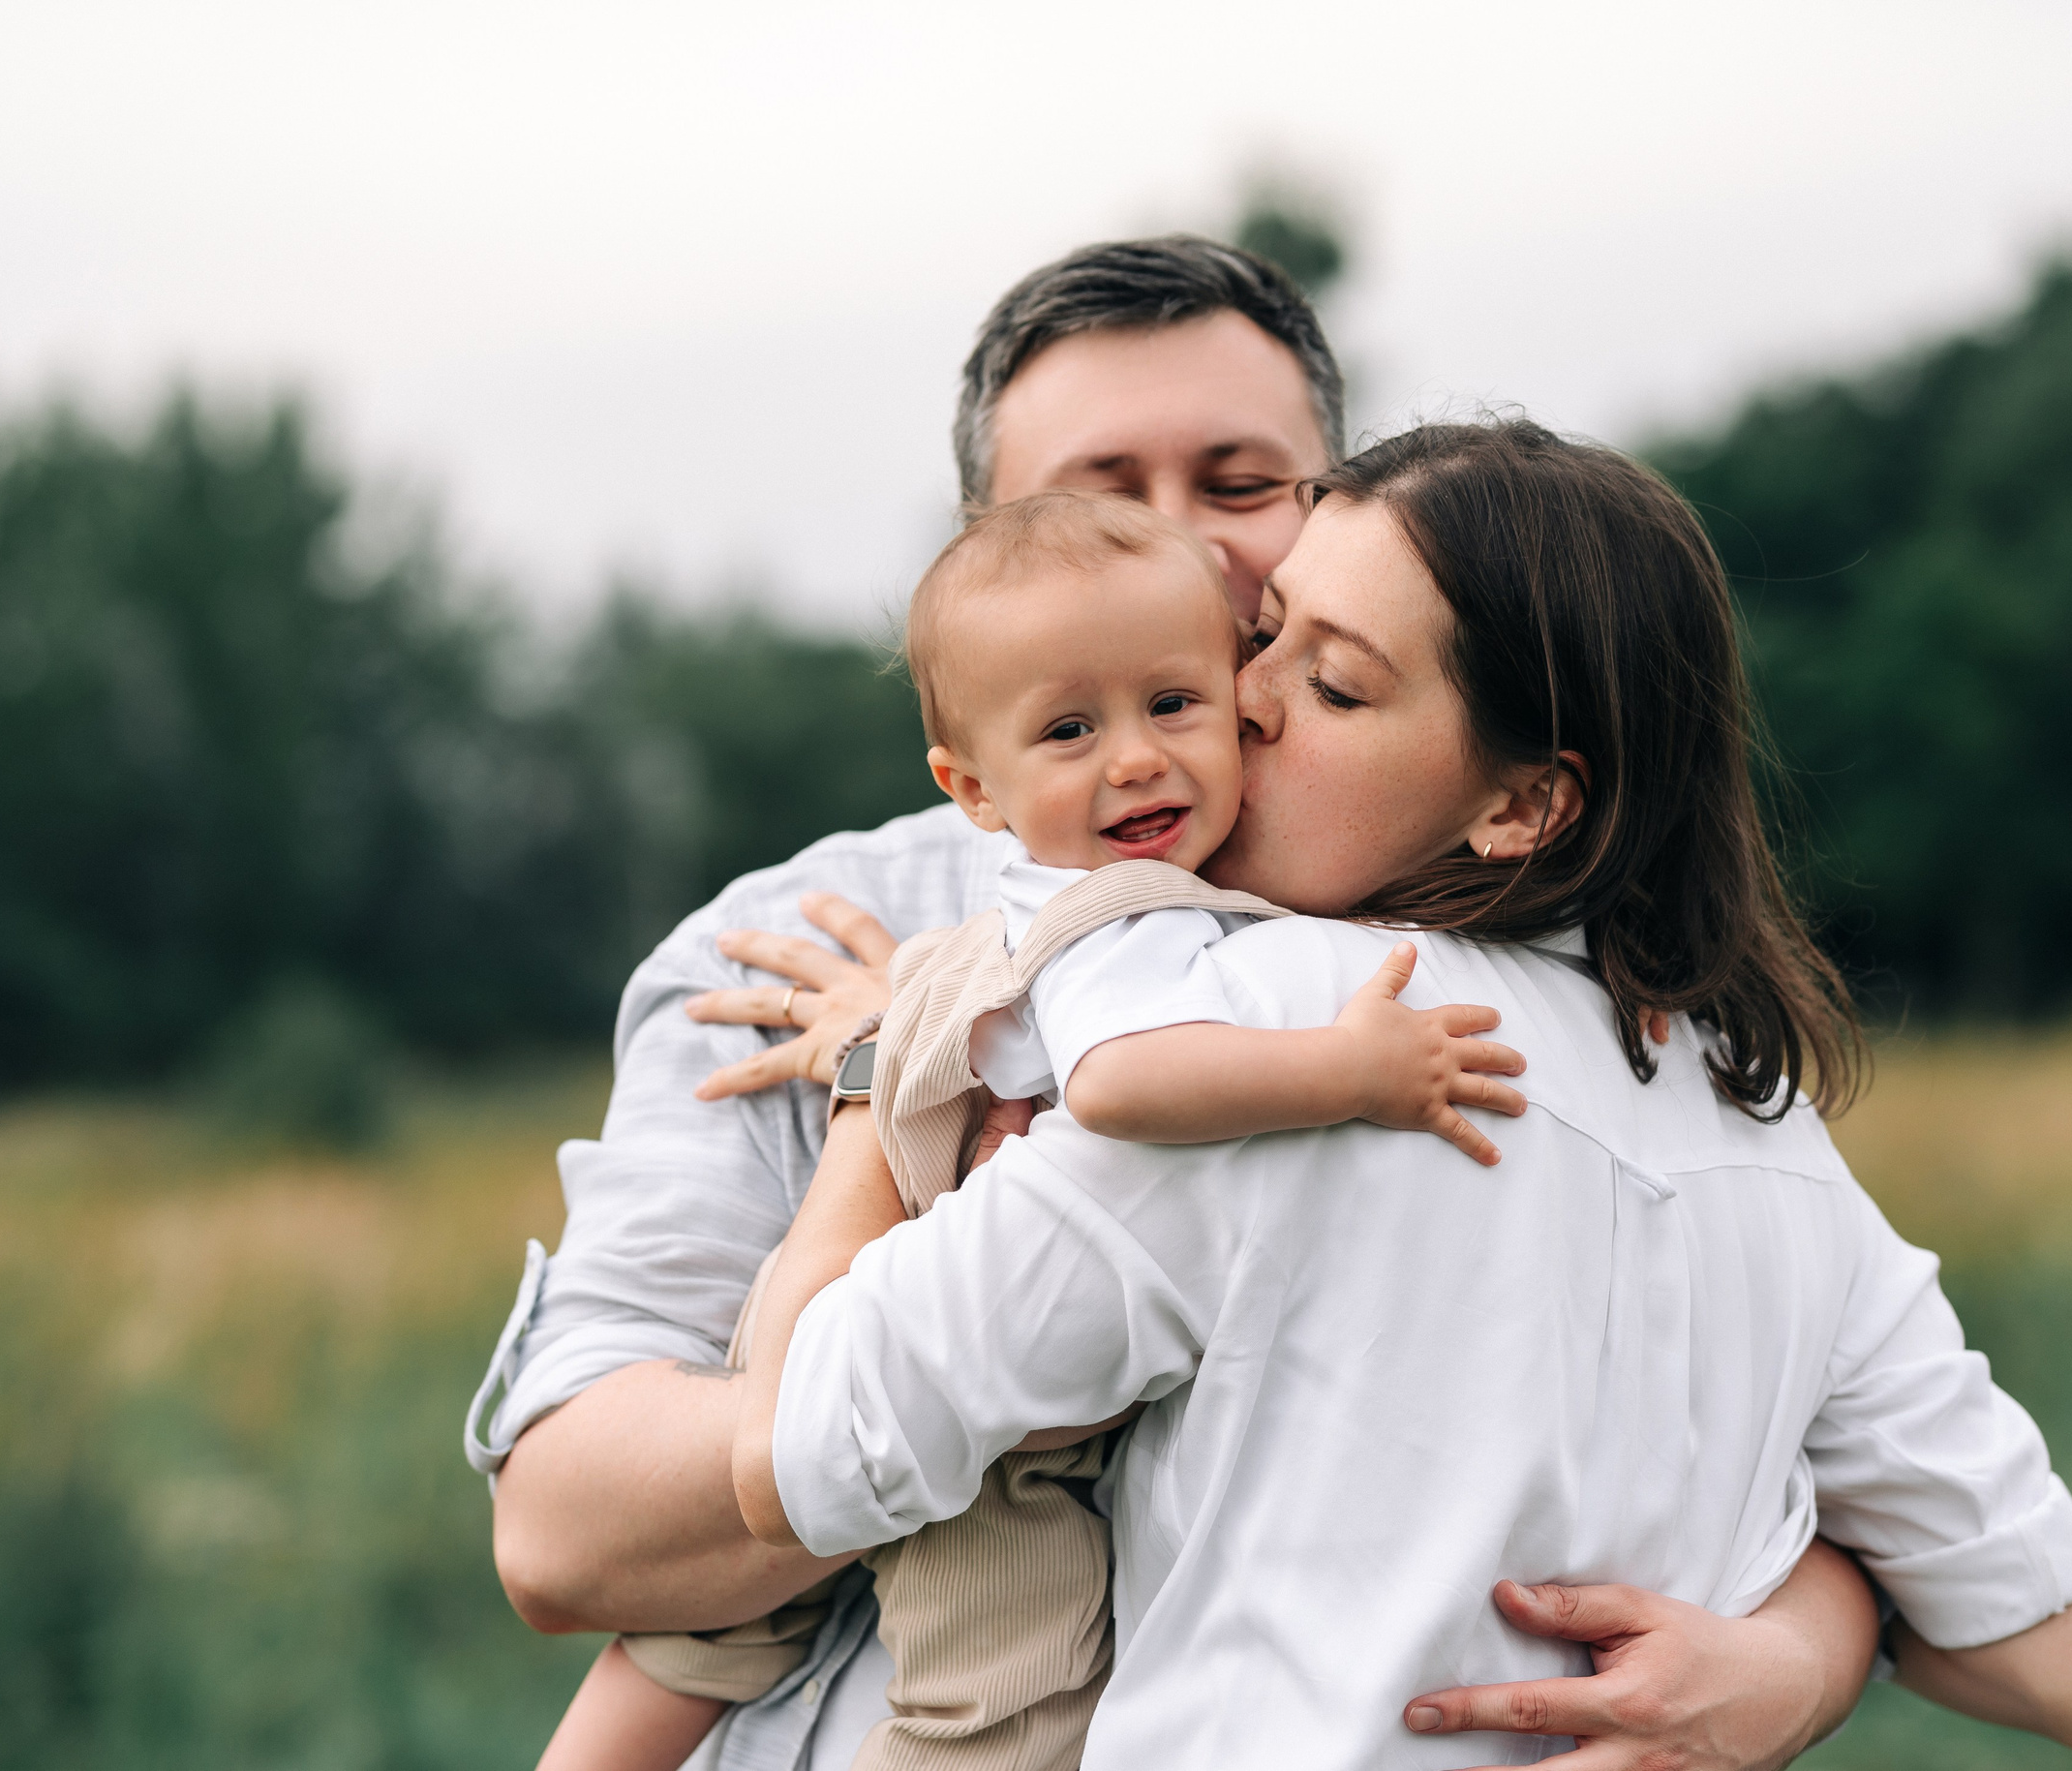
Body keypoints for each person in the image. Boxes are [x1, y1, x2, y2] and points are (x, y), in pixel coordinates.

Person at [472, 237, 1889, 1771]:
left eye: (1241, 480)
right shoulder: (801, 944)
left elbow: (1824, 1430)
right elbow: (562, 1530)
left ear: (1338, 509)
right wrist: (906, 1118)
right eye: (1096, 494)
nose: (1184, 541)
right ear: (982, 555)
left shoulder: (1496, 941)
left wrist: (1792, 1666)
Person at [727, 420, 2072, 1766]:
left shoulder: (1279, 1031)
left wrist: (886, 1071)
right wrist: (1802, 1656)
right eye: (1263, 633)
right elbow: (2063, 1670)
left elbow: (798, 1452)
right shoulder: (1777, 1139)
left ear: (1523, 806)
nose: (1243, 702)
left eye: (1335, 685)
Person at [537, 492, 1530, 1771]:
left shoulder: (1094, 884)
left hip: (859, 1310)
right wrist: (1346, 1070)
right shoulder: (1127, 910)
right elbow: (1122, 1082)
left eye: (1174, 704)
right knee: (999, 1706)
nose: (1136, 759)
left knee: (704, 1638)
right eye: (1071, 729)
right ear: (970, 784)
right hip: (966, 1387)